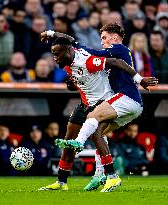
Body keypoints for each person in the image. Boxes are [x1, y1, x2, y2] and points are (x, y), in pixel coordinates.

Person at [38, 27, 157, 191]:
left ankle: (107, 173)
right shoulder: (69, 57)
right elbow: (69, 40)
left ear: (69, 51)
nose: (55, 58)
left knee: (95, 134)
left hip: (102, 100)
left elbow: (116, 62)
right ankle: (62, 182)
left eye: (57, 54)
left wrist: (139, 79)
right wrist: (50, 33)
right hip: (84, 102)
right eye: (54, 54)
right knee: (72, 139)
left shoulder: (90, 59)